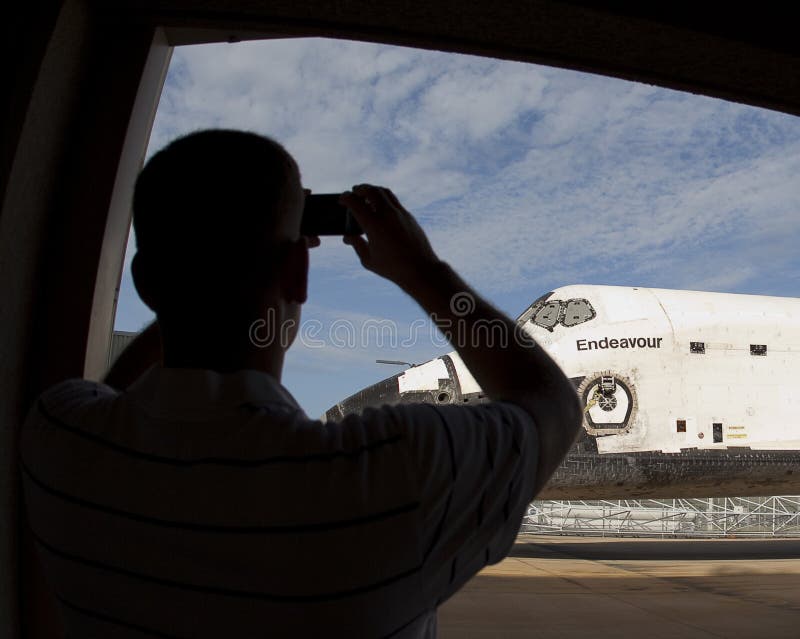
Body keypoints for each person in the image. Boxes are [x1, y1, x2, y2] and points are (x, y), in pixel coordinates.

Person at [20, 129, 581, 638]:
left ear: (146, 284)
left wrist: (184, 287)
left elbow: (113, 392)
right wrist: (422, 269)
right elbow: (551, 402)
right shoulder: (392, 477)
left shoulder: (58, 435)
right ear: (298, 273)